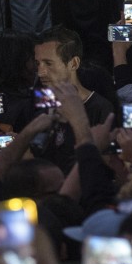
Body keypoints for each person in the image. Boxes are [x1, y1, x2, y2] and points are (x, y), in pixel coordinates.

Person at [31, 26, 115, 172]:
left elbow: (104, 164)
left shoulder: (100, 108)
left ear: (74, 63)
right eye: (38, 63)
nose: (40, 72)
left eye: (48, 63)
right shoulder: (44, 103)